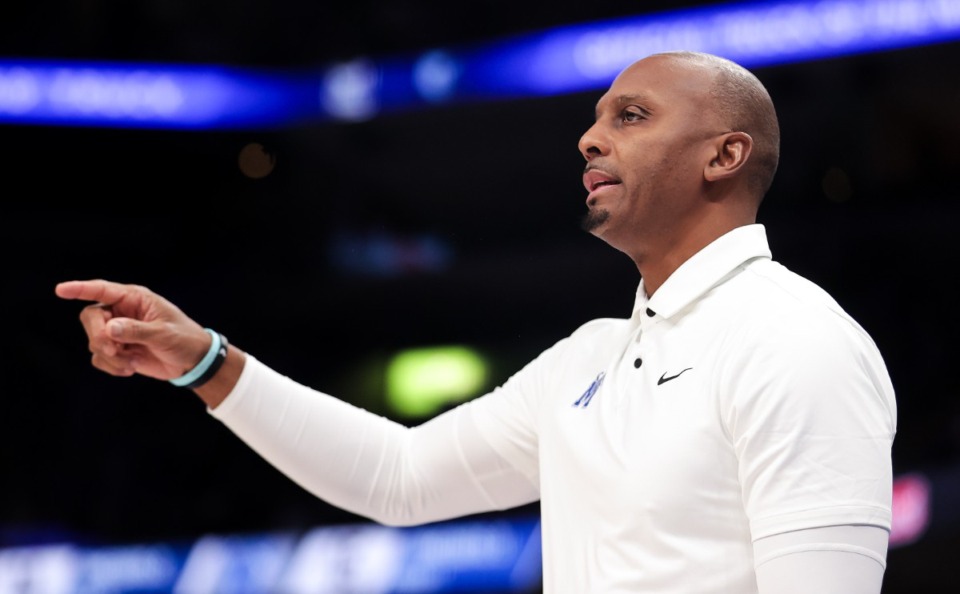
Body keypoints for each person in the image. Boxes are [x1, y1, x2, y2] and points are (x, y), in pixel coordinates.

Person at [55, 50, 897, 593]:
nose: (588, 140)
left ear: (726, 155)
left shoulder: (794, 340)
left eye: (630, 117)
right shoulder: (590, 359)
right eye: (596, 117)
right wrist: (208, 362)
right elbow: (400, 477)